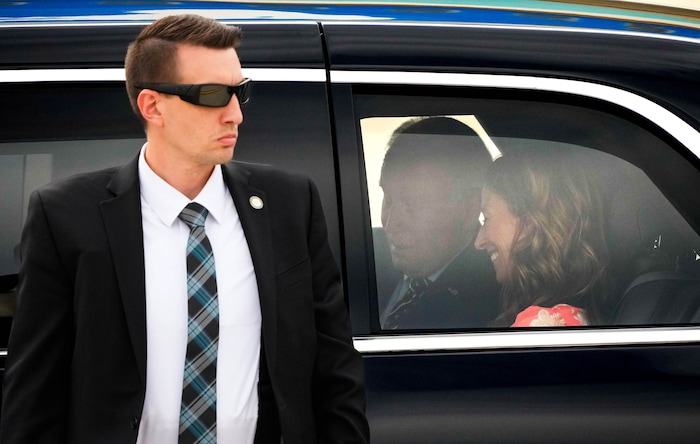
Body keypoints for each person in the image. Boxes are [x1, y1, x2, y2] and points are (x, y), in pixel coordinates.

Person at [0, 14, 369, 444]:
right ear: (152, 106)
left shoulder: (290, 203)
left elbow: (335, 368)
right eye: (213, 95)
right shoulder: (65, 216)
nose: (235, 115)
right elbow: (33, 394)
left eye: (240, 92)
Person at [377, 116, 500, 330]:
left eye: (411, 203)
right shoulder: (363, 255)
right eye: (388, 198)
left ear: (468, 208)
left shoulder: (495, 296)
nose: (390, 223)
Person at [474, 150, 609, 327]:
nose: (478, 242)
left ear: (530, 222)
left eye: (486, 218)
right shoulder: (566, 313)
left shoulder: (542, 324)